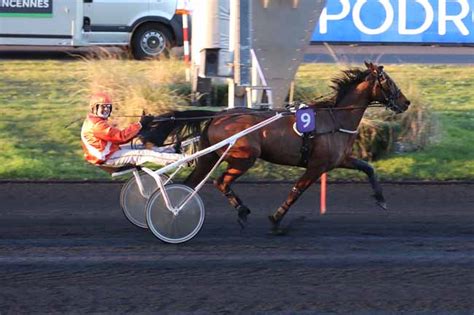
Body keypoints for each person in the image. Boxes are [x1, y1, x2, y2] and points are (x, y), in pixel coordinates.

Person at [81, 92, 184, 168]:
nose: (106, 110)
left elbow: (118, 136)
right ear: (94, 108)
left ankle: (171, 150)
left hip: (110, 151)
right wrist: (140, 124)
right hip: (106, 157)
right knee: (144, 154)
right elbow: (121, 137)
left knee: (142, 147)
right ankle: (182, 160)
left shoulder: (94, 120)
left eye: (108, 107)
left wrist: (140, 127)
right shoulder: (97, 125)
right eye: (103, 107)